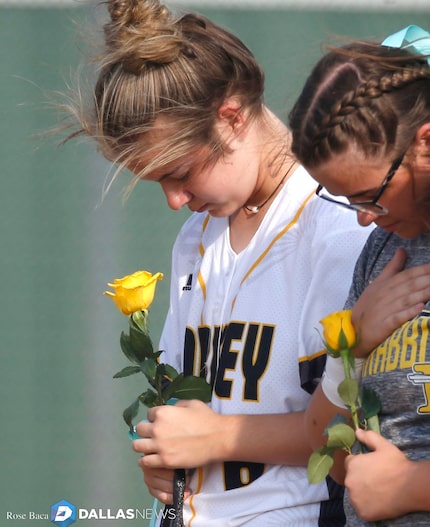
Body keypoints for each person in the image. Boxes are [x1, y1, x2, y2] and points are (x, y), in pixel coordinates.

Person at [64, 1, 373, 525]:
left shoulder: (338, 226)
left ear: (231, 117)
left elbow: (354, 434)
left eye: (180, 172)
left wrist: (216, 439)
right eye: (157, 182)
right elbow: (186, 411)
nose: (174, 200)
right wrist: (167, 457)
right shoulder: (196, 238)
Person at [288, 25, 430, 526]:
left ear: (425, 144)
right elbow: (323, 439)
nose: (362, 217)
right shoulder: (384, 248)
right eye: (345, 200)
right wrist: (353, 342)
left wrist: (411, 487)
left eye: (370, 193)